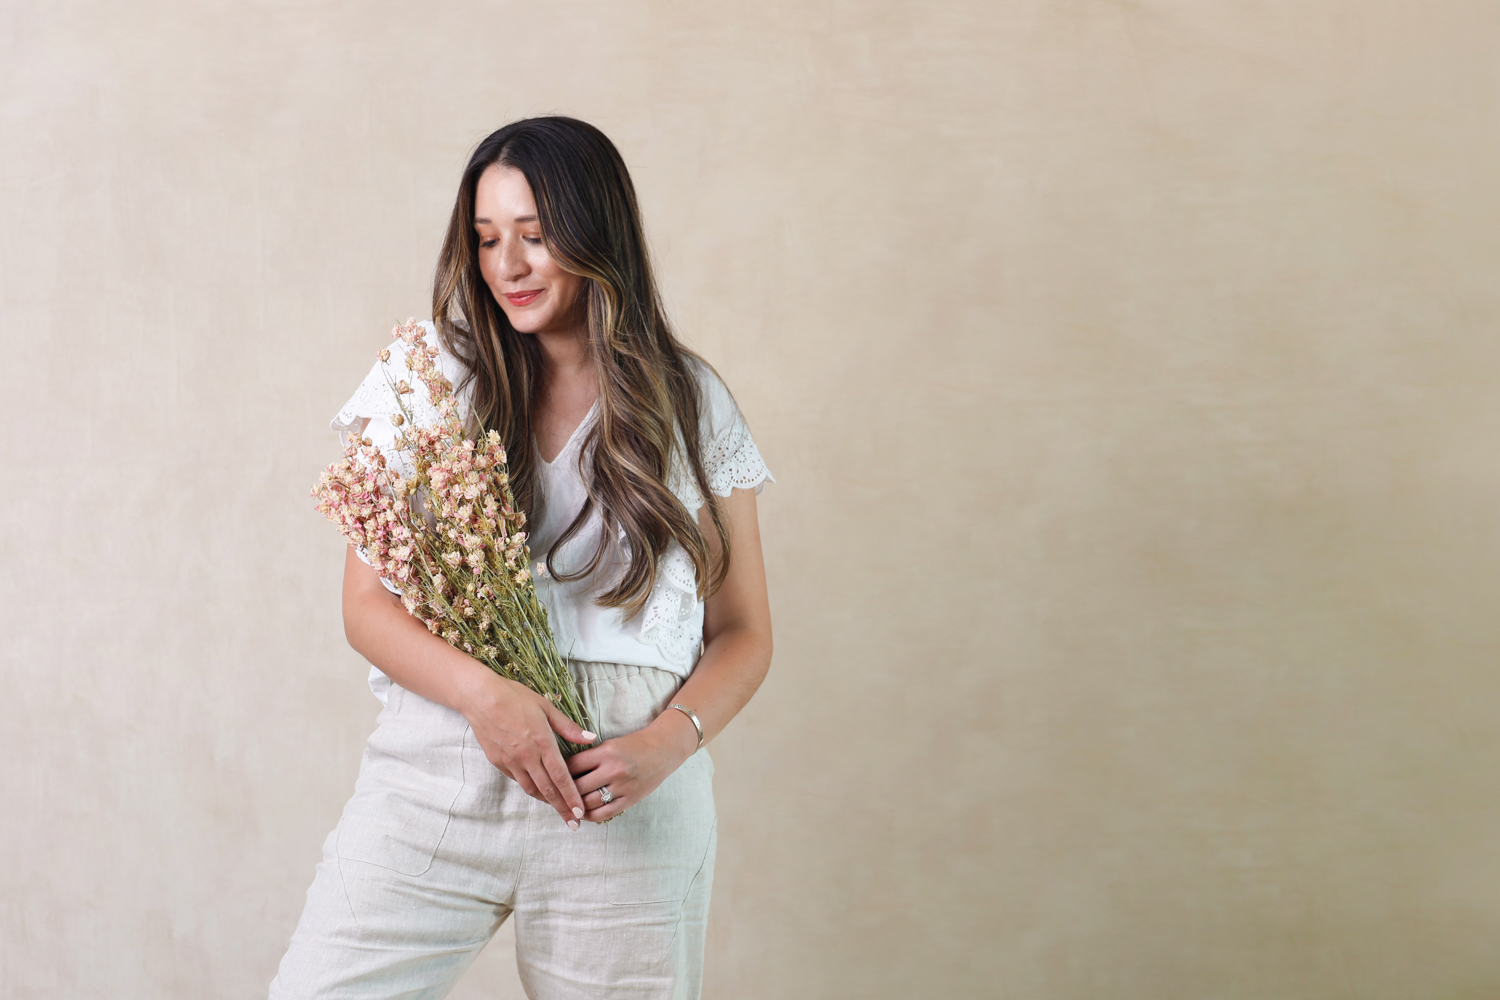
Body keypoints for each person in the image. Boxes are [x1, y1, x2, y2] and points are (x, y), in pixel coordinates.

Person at [270, 116, 774, 1000]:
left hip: (628, 797)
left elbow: (745, 632)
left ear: (597, 235)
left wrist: (666, 745)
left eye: (536, 238)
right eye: (487, 238)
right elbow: (365, 605)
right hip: (439, 769)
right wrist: (486, 696)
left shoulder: (691, 404)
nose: (507, 266)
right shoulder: (426, 379)